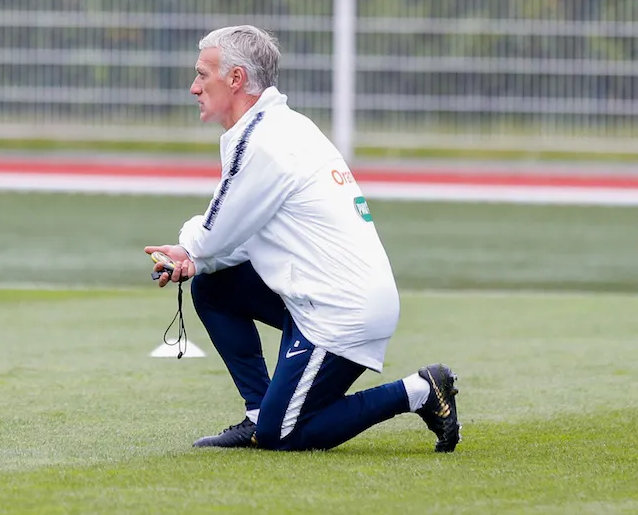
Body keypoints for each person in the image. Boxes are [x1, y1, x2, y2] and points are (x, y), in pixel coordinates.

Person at [144, 24, 462, 453]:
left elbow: (214, 233)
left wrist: (190, 250)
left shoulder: (262, 141)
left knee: (286, 435)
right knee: (213, 286)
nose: (193, 87)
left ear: (235, 79)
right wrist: (195, 260)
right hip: (327, 295)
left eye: (203, 74)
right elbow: (239, 232)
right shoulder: (278, 126)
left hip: (339, 311)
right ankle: (258, 415)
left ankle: (419, 390)